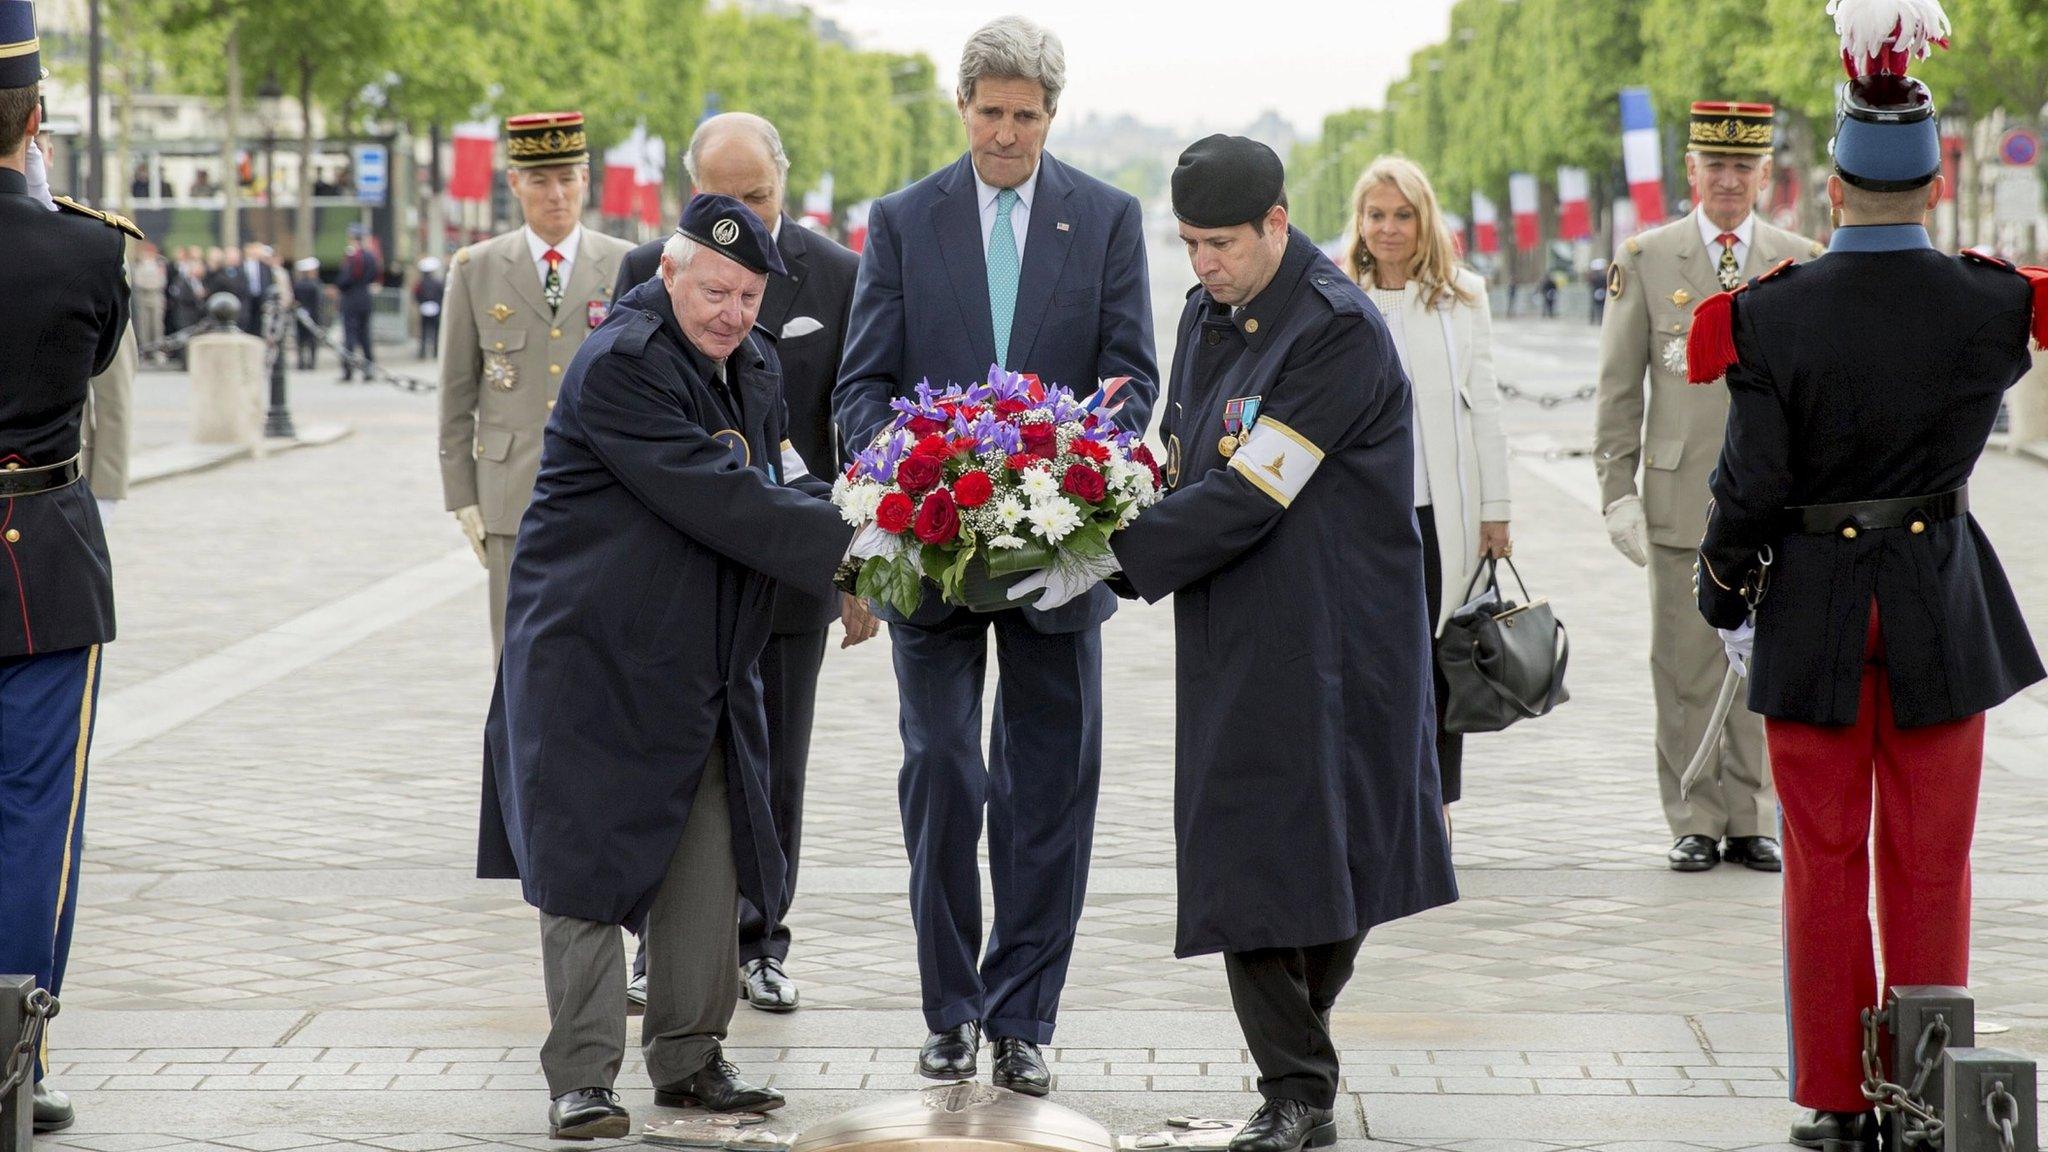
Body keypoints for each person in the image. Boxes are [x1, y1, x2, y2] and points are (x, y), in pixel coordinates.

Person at [1690, 5, 2041, 1145]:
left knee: (1821, 865)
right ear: (1935, 182)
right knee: (1931, 863)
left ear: (1828, 186)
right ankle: (1934, 1086)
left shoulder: (1766, 316)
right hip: (1940, 596)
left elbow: (1747, 487)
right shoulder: (1995, 301)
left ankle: (1839, 1102)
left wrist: (1721, 587)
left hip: (1812, 604)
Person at [479, 194, 858, 1140]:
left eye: (748, 297)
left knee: (706, 857)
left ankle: (690, 1058)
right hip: (592, 657)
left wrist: (871, 504)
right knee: (586, 866)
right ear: (671, 272)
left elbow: (778, 472)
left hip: (699, 656)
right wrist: (854, 541)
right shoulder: (624, 364)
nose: (731, 312)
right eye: (715, 290)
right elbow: (720, 496)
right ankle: (582, 1075)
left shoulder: (753, 364)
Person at [1109, 135, 1457, 1152]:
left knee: (1329, 858)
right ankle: (1296, 1084)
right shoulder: (1204, 312)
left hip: (1334, 635)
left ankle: (1295, 1079)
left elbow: (1257, 483)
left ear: (1276, 222)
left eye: (1218, 243)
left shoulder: (1335, 329)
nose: (1201, 265)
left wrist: (1116, 559)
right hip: (1235, 623)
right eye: (1186, 245)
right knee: (1248, 856)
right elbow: (1184, 452)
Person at [834, 14, 1158, 1093]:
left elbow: (1131, 382)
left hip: (1055, 564)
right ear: (962, 108)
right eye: (990, 113)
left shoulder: (1106, 219)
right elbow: (861, 386)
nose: (1007, 133)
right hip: (928, 562)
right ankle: (948, 1009)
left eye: (1025, 116)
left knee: (1044, 792)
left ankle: (1023, 1017)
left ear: (1049, 116)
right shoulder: (899, 220)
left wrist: (1068, 477)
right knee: (940, 770)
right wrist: (906, 467)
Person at [611, 111, 871, 1015]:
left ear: (784, 184)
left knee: (776, 762)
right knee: (673, 757)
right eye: (720, 198)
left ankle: (762, 939)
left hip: (792, 566)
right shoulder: (650, 270)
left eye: (757, 196)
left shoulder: (838, 275)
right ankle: (663, 943)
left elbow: (856, 419)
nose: (743, 213)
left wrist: (857, 560)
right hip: (680, 572)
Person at [1593, 100, 1823, 873]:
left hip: (1778, 507)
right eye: (1714, 166)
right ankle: (1693, 814)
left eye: (1743, 168)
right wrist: (1615, 488)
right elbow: (1619, 388)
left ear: (1765, 175)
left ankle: (1753, 814)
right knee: (1686, 664)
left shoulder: (1802, 260)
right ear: (1691, 172)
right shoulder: (1649, 259)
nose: (1728, 181)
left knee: (1766, 663)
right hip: (1680, 498)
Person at [0, 4, 138, 1131]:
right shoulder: (91, 245)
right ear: (36, 120)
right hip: (40, 563)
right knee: (37, 819)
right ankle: (15, 1062)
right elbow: (91, 362)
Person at [1341, 154, 1510, 822]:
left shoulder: (1462, 296)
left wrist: (1496, 512)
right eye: (1376, 214)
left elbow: (1488, 408)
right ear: (1359, 220)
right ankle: (1377, 800)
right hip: (1361, 517)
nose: (1388, 229)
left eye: (1402, 215)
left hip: (1442, 514)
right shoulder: (1336, 294)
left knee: (1442, 663)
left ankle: (1434, 806)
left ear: (1423, 220)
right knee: (1374, 663)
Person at [438, 111, 632, 654]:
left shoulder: (624, 266)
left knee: (599, 648)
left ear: (587, 180)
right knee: (515, 650)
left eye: (567, 178)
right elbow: (455, 394)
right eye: (540, 179)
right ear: (514, 182)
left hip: (603, 488)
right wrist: (462, 496)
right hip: (510, 490)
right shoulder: (475, 268)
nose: (556, 194)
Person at [335, 222, 382, 381]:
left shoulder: (352, 256)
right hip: (365, 298)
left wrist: (340, 285)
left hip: (351, 299)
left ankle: (348, 371)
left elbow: (346, 279)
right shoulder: (370, 256)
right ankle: (369, 370)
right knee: (365, 337)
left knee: (350, 337)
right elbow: (374, 273)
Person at [130, 240, 167, 353]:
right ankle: (145, 349)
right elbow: (138, 281)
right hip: (143, 297)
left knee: (157, 325)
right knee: (143, 325)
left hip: (156, 297)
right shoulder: (140, 266)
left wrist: (151, 285)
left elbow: (162, 281)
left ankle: (158, 350)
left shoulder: (159, 266)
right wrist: (150, 285)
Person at [292, 256, 325, 370]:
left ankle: (301, 362)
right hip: (314, 315)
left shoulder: (298, 284)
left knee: (301, 340)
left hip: (300, 315)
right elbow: (318, 302)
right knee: (312, 340)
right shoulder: (316, 284)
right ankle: (311, 363)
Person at [414, 256, 445, 360]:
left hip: (425, 307)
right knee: (435, 332)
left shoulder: (420, 283)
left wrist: (420, 303)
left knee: (424, 331)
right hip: (435, 307)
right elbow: (441, 294)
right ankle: (436, 352)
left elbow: (416, 294)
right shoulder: (437, 282)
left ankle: (422, 352)